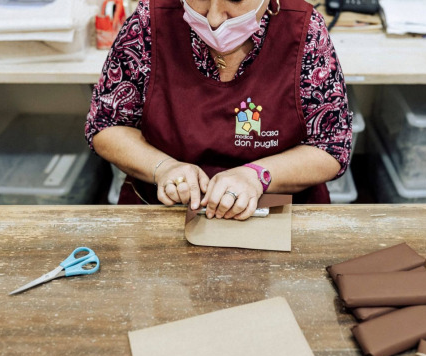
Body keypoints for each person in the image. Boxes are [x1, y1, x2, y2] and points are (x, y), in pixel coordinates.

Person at [86, 0, 353, 220]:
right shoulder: (149, 22)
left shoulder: (306, 31)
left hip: (277, 214)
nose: (213, 18)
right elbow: (106, 124)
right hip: (165, 213)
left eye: (235, 0)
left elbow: (331, 147)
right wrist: (164, 168)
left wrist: (256, 176)